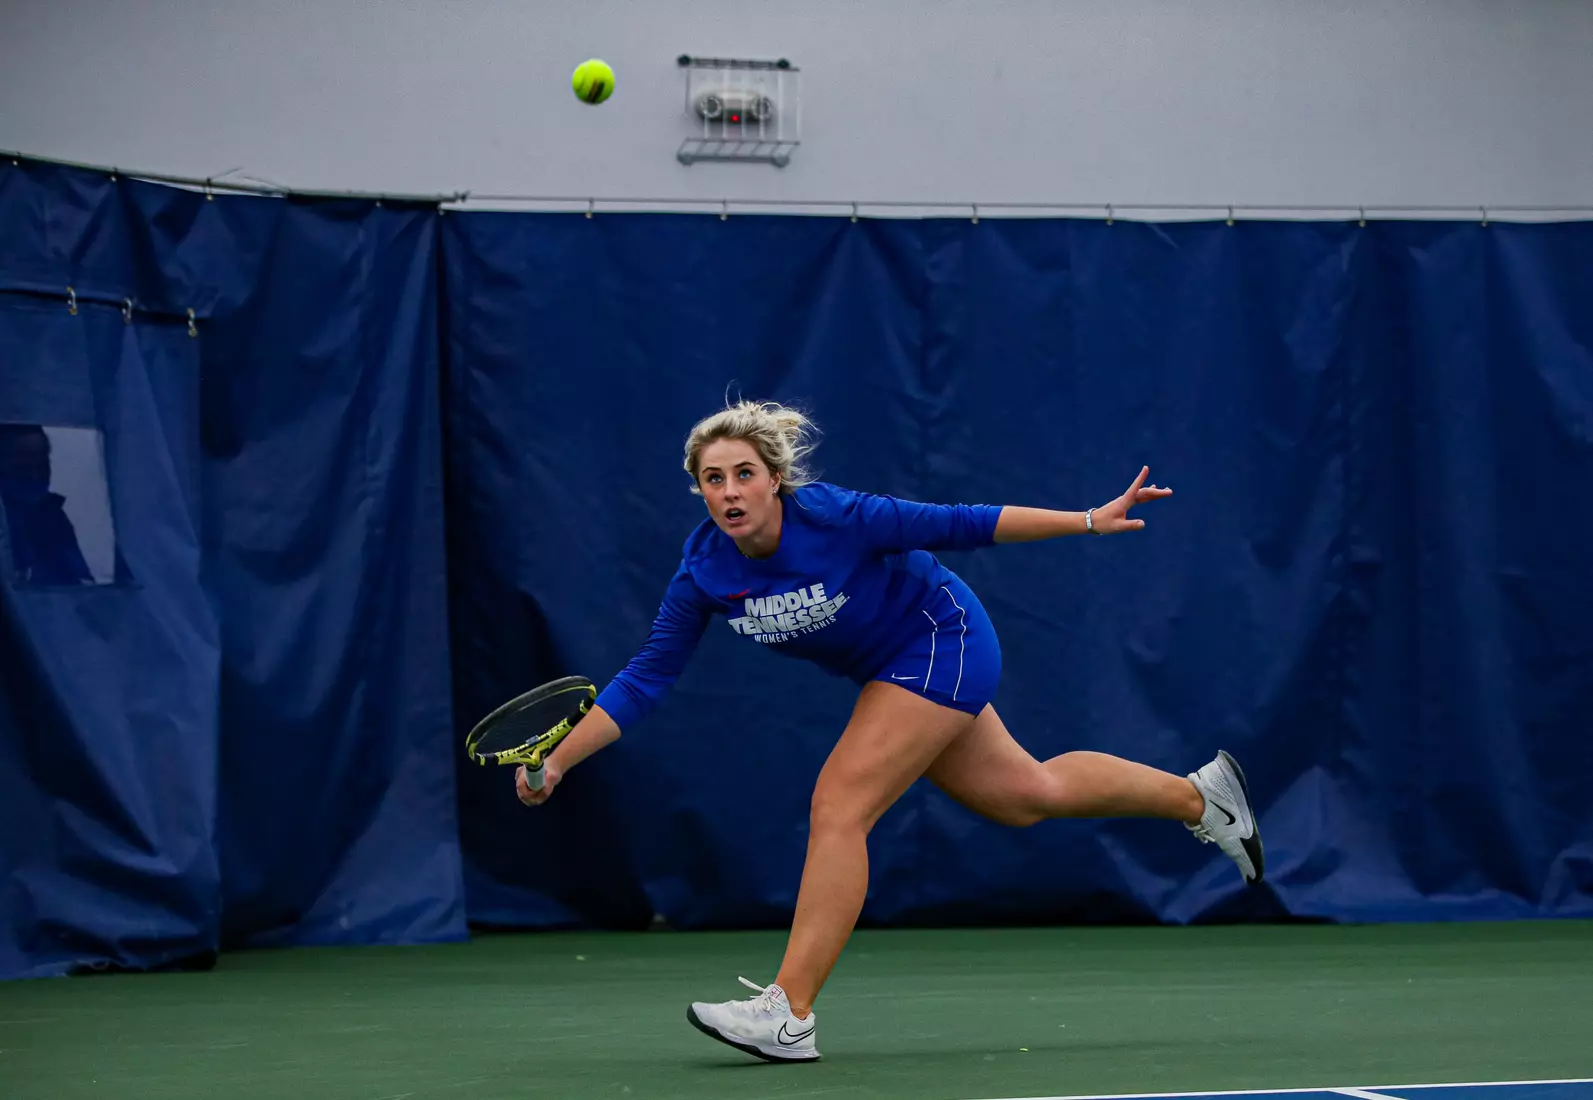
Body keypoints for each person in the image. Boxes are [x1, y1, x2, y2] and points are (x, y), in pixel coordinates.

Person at [514, 399, 1264, 1063]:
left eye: (743, 473)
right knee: (1022, 794)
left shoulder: (837, 515)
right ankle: (1202, 799)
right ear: (700, 492)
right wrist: (558, 760)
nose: (730, 491)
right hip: (891, 670)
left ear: (772, 479)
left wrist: (1088, 519)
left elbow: (964, 525)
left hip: (942, 637)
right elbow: (647, 677)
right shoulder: (704, 572)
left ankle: (788, 1013)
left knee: (840, 803)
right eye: (713, 479)